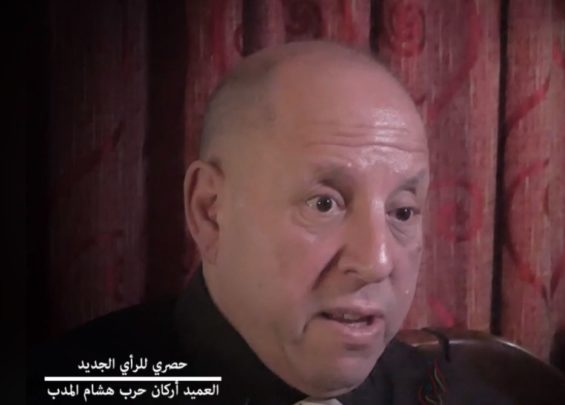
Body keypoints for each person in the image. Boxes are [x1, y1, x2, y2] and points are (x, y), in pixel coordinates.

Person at [28, 41, 512, 404]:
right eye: (323, 204)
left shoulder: (454, 395)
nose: (377, 262)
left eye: (402, 211)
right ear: (210, 211)